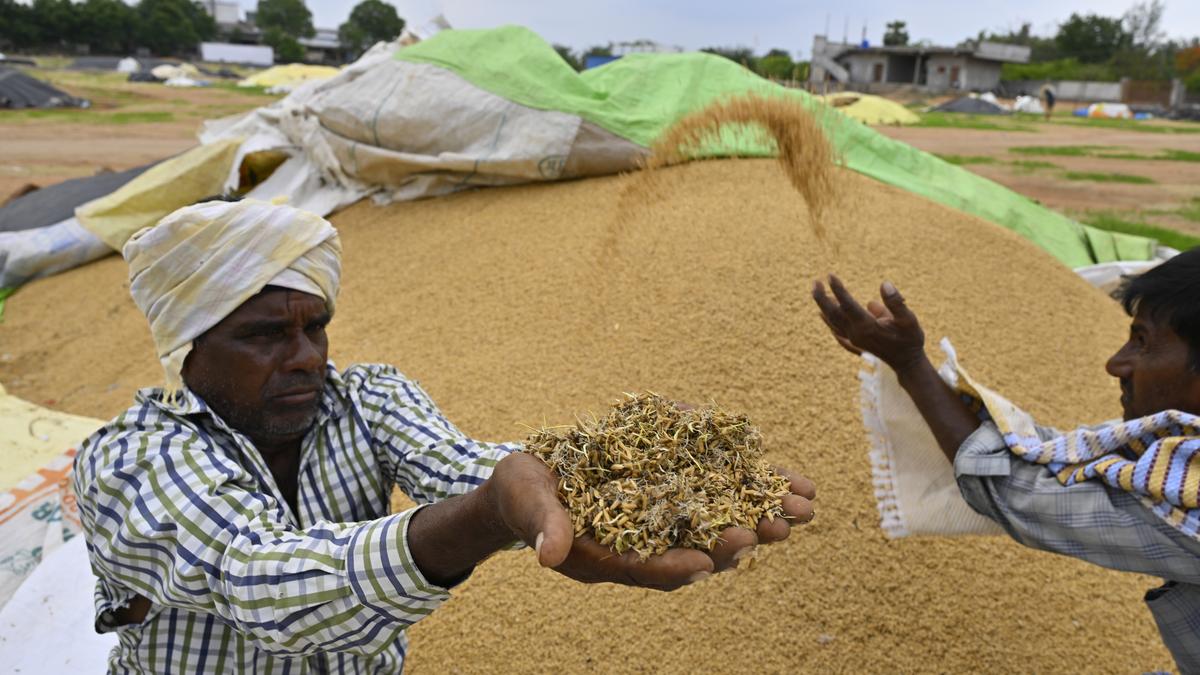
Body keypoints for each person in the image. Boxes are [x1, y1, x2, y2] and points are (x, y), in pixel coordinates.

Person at [73, 199, 817, 673]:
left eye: (315, 328)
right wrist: (489, 516)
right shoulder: (129, 460)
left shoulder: (364, 397)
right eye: (265, 335)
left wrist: (600, 472)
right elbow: (256, 576)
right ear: (188, 348)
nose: (306, 357)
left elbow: (463, 464)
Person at [811, 251, 1200, 672]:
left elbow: (1015, 492)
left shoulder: (1190, 497)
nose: (1116, 364)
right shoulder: (1172, 448)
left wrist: (910, 365)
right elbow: (1066, 454)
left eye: (1142, 342)